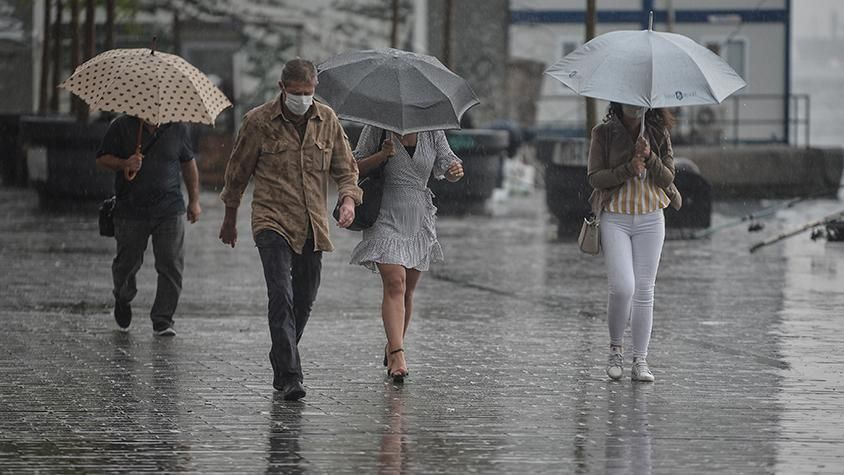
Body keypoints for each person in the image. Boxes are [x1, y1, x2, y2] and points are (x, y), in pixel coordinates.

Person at [218, 59, 362, 401]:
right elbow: (237, 174)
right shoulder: (258, 122)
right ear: (282, 89)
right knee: (280, 294)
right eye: (296, 93)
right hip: (272, 220)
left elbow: (346, 169)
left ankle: (282, 353)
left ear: (315, 89)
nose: (302, 99)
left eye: (308, 93)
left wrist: (348, 201)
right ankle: (290, 376)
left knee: (305, 299)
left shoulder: (326, 119)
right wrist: (229, 218)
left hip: (313, 223)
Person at [349, 125, 464, 383]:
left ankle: (393, 344)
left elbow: (448, 162)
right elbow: (353, 166)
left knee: (407, 291)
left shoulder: (432, 129)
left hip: (418, 217)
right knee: (395, 283)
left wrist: (454, 171)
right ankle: (399, 354)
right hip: (384, 216)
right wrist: (381, 156)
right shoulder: (377, 127)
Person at [586, 102, 682, 382]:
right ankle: (615, 348)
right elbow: (595, 178)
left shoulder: (658, 132)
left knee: (644, 290)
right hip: (615, 216)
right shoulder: (602, 133)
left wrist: (650, 157)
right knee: (621, 287)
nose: (634, 108)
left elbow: (668, 177)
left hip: (652, 217)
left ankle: (640, 359)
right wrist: (629, 167)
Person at [95, 115, 201, 336]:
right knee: (127, 262)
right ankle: (123, 296)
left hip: (170, 208)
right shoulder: (121, 126)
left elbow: (188, 163)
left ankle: (163, 319)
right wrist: (125, 163)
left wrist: (194, 201)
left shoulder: (178, 128)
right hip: (131, 210)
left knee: (171, 263)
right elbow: (101, 159)